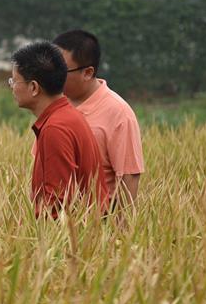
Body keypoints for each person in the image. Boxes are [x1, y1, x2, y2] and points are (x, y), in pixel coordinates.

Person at [11, 42, 108, 218]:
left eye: (14, 81)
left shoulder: (55, 128)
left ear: (33, 87)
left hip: (73, 239)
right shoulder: (68, 116)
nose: (12, 87)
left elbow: (57, 205)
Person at [51, 29, 144, 208]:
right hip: (56, 224)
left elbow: (129, 177)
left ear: (87, 72)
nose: (53, 77)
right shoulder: (53, 105)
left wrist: (123, 232)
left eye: (61, 71)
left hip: (99, 224)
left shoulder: (119, 113)